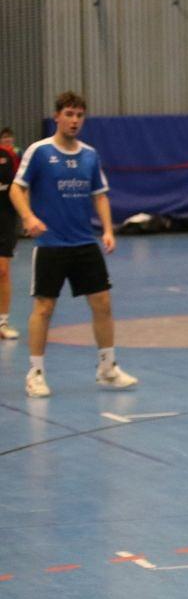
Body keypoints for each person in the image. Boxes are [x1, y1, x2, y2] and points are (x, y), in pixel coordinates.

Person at [8, 91, 137, 397]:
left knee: (102, 303)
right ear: (57, 117)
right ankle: (35, 373)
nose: (74, 120)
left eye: (79, 115)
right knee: (44, 308)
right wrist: (28, 217)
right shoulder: (40, 152)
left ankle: (107, 368)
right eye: (69, 114)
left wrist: (108, 230)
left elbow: (100, 195)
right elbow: (16, 188)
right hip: (51, 244)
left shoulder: (90, 155)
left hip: (84, 242)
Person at [0, 130, 20, 339]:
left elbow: (19, 187)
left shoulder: (8, 156)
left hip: (4, 221)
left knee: (3, 271)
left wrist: (26, 215)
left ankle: (2, 323)